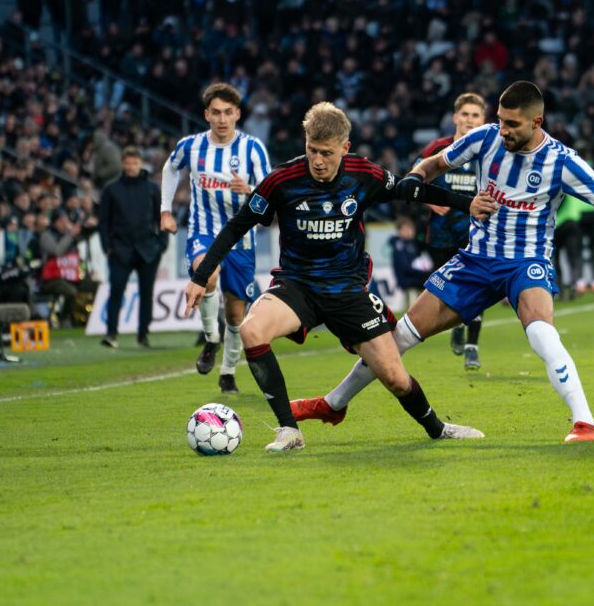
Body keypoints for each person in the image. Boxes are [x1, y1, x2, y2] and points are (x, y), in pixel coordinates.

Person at [291, 82, 594, 443]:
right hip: (475, 260)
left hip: (525, 263)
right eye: (500, 121)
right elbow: (435, 163)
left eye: (512, 124)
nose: (502, 130)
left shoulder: (563, 160)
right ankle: (333, 403)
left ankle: (585, 421)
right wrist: (417, 177)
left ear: (537, 121)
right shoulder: (485, 139)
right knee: (398, 340)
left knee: (541, 331)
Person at [183, 102, 490, 452]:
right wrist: (200, 276)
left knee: (394, 377)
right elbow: (237, 226)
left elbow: (409, 189)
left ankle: (438, 429)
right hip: (297, 285)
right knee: (252, 329)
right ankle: (289, 430)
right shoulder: (281, 180)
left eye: (327, 153)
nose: (318, 160)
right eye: (312, 150)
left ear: (344, 148)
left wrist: (467, 204)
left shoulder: (363, 174)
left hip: (347, 290)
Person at [160, 83, 271, 394]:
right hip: (203, 230)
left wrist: (249, 189)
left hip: (242, 239)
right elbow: (170, 169)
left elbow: (270, 190)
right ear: (206, 114)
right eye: (216, 113)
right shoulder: (191, 146)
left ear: (237, 114)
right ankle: (211, 339)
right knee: (206, 275)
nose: (222, 119)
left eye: (228, 113)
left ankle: (228, 372)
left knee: (237, 315)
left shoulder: (253, 148)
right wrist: (165, 211)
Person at [417, 92, 486, 368]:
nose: (470, 120)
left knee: (479, 288)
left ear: (484, 120)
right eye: (465, 114)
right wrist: (428, 201)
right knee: (447, 291)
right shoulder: (437, 148)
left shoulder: (487, 150)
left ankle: (472, 347)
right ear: (455, 117)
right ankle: (457, 325)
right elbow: (413, 179)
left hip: (476, 235)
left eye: (476, 115)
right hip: (441, 235)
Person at [98, 149, 165, 348]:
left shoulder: (152, 188)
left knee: (147, 293)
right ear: (122, 164)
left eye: (135, 163)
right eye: (128, 163)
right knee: (116, 291)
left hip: (148, 250)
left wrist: (162, 244)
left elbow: (162, 217)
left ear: (140, 163)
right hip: (120, 250)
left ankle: (143, 335)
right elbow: (103, 222)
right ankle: (111, 334)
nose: (131, 167)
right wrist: (107, 246)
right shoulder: (111, 190)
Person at [389, 218, 428, 310]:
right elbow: (405, 267)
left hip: (414, 277)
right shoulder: (399, 246)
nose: (409, 231)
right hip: (407, 280)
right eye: (406, 229)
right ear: (400, 231)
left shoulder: (412, 244)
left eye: (411, 228)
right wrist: (423, 272)